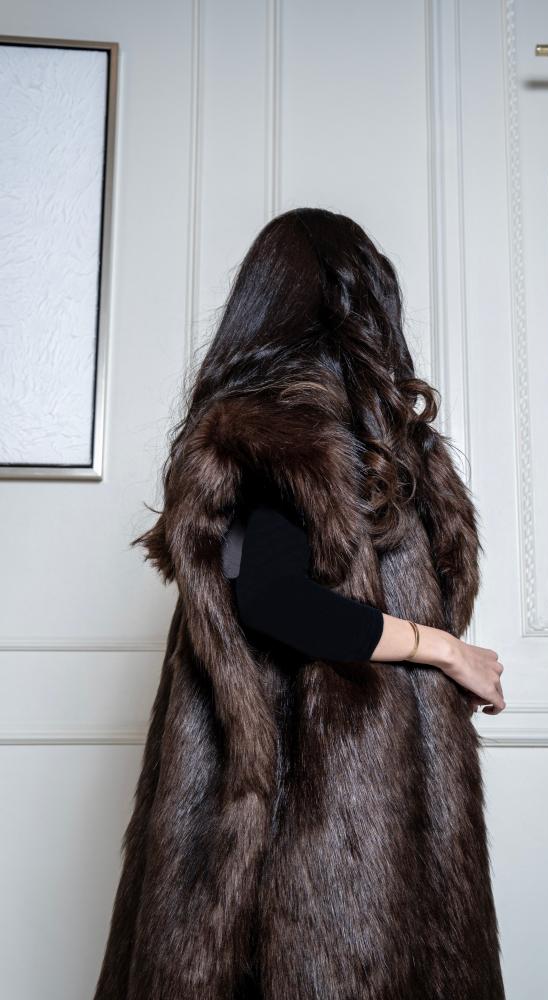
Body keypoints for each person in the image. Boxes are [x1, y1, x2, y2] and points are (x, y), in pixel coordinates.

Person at [93, 208, 506, 1000]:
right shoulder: (282, 437)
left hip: (383, 835)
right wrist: (444, 648)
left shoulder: (383, 448)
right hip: (309, 852)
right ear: (363, 304)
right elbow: (277, 602)